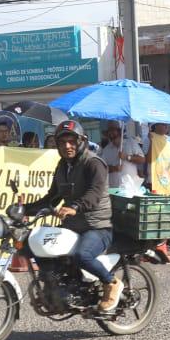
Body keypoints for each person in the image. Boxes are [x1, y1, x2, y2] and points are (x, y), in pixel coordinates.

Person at [32, 121, 121, 313]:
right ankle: (54, 292)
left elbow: (95, 193)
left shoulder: (94, 163)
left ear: (81, 141)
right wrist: (23, 210)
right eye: (62, 142)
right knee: (40, 248)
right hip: (72, 226)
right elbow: (52, 197)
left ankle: (111, 283)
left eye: (71, 141)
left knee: (83, 255)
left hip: (97, 226)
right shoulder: (63, 166)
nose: (67, 146)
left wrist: (74, 206)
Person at [99, 121, 146, 193]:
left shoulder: (130, 142)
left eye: (113, 130)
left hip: (131, 190)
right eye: (109, 131)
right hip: (113, 190)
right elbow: (101, 168)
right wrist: (114, 168)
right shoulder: (106, 150)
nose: (110, 133)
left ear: (119, 131)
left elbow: (142, 159)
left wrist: (127, 157)